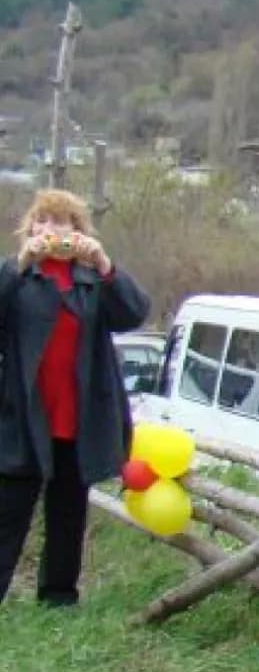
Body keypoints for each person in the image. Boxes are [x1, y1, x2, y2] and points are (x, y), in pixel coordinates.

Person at [0, 189, 151, 606]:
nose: (50, 230)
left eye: (61, 222)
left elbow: (135, 314)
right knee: (9, 511)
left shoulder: (92, 282)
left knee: (68, 511)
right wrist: (18, 266)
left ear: (79, 232)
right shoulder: (17, 275)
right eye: (42, 221)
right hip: (25, 416)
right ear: (30, 228)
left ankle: (58, 596)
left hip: (77, 417)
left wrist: (106, 266)